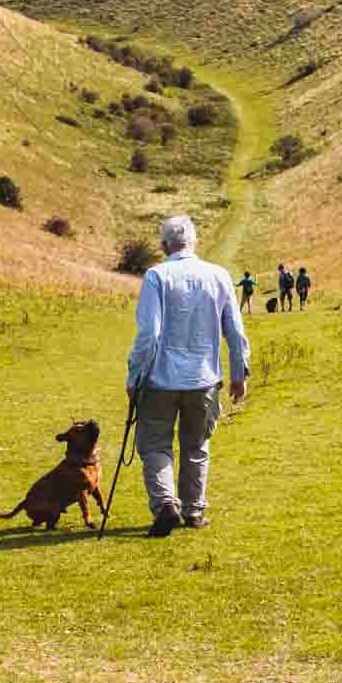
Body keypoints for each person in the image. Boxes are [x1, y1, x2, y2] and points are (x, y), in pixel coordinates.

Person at [127, 213, 249, 536]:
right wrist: (239, 374)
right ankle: (194, 511)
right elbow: (235, 332)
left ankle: (167, 504)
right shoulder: (219, 275)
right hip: (204, 379)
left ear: (164, 245)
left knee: (155, 444)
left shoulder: (156, 277)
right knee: (196, 445)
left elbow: (148, 335)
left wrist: (134, 376)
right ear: (195, 242)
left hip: (160, 379)